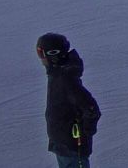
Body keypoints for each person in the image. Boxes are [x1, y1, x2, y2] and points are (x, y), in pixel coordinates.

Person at [36, 33, 101, 168]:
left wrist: (85, 132)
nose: (40, 59)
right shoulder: (57, 74)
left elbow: (91, 108)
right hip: (62, 142)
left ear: (52, 54)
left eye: (41, 53)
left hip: (71, 146)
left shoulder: (65, 80)